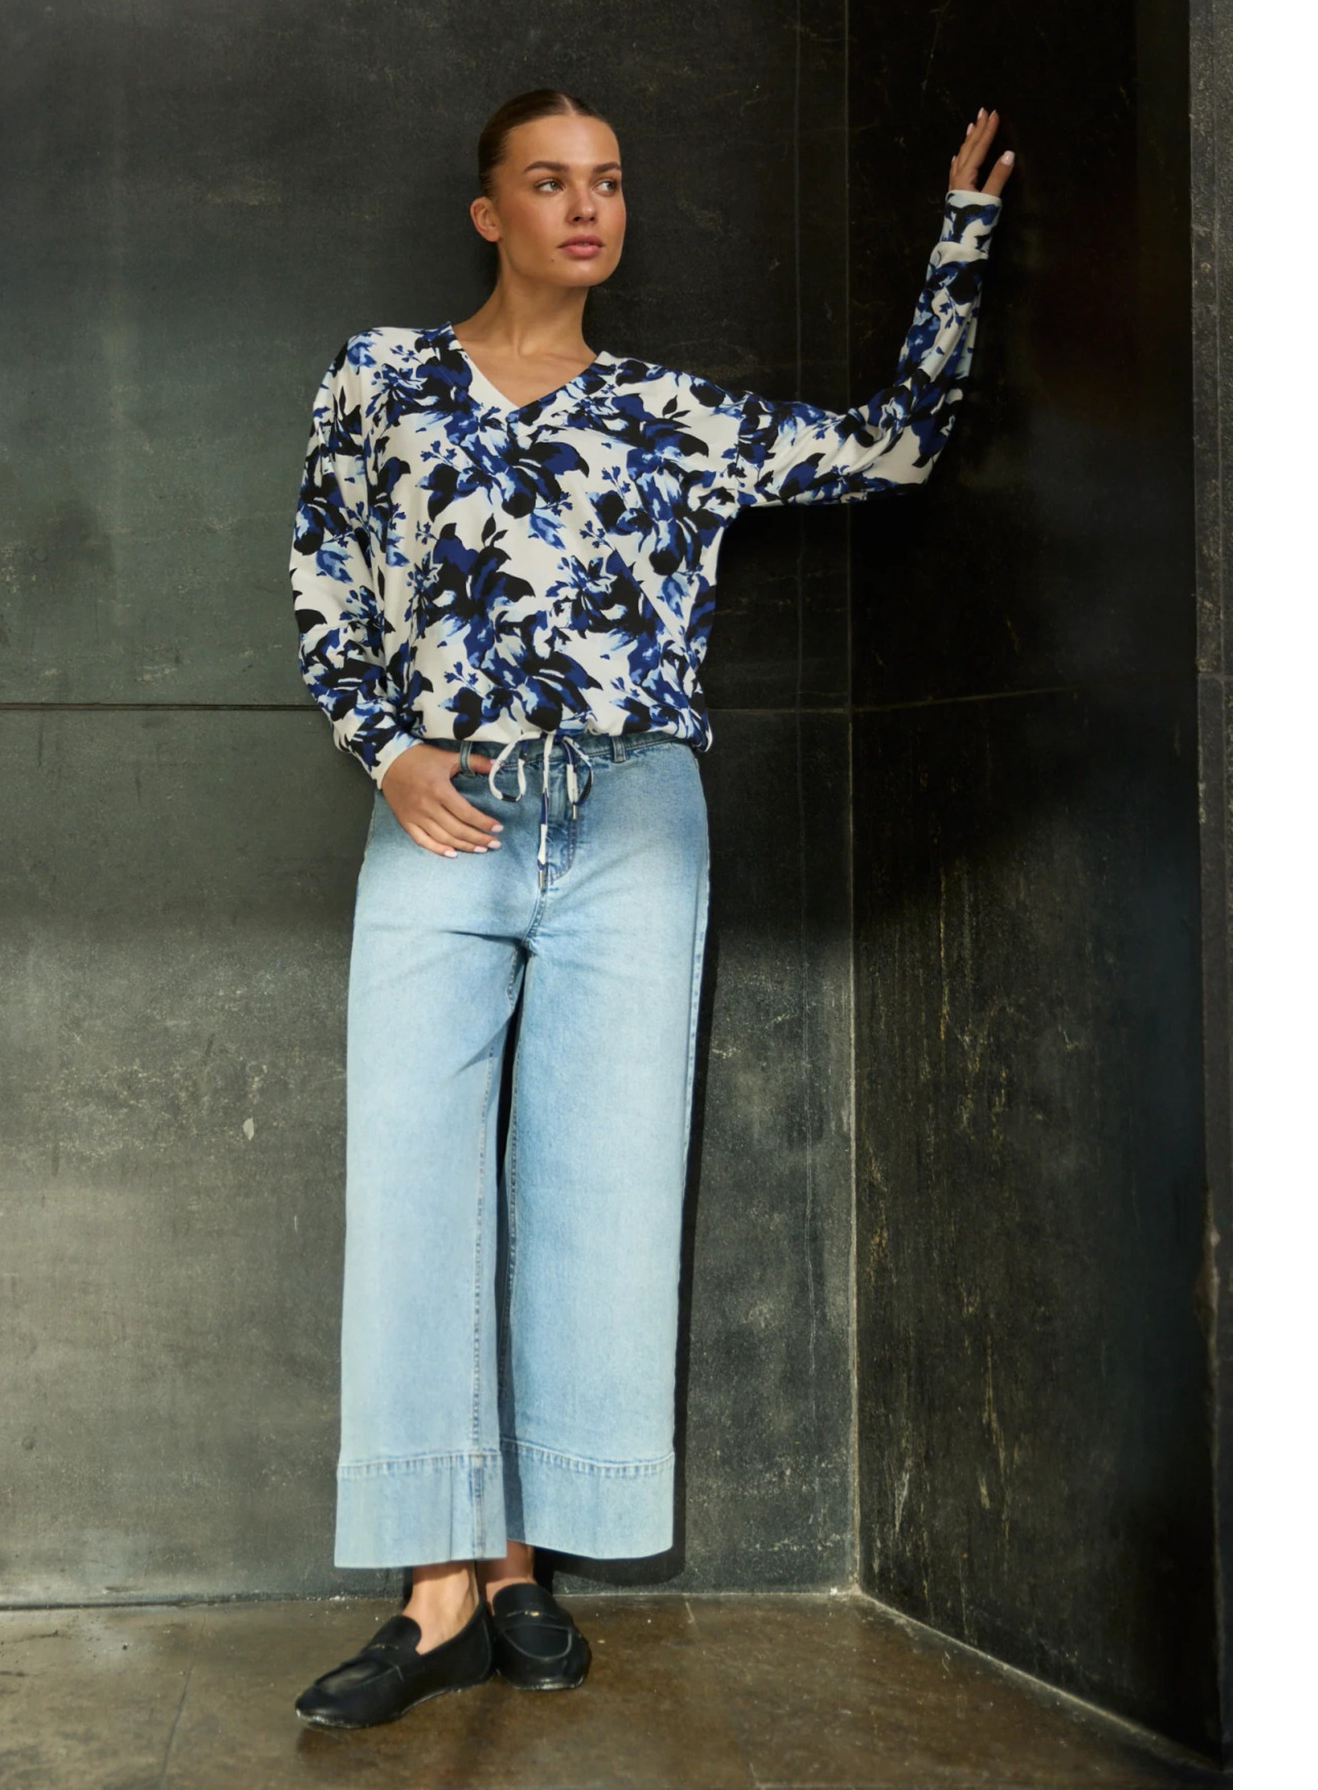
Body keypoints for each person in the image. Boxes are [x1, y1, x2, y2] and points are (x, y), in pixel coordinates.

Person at [287, 89, 1012, 1729]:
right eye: (550, 182)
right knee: (413, 1185)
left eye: (607, 182)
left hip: (632, 822)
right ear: (491, 211)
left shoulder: (667, 411)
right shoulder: (379, 376)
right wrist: (387, 748)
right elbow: (327, 572)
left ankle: (516, 1568)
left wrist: (961, 237)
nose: (586, 207)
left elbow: (895, 445)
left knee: (598, 1191)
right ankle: (434, 1591)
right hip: (448, 811)